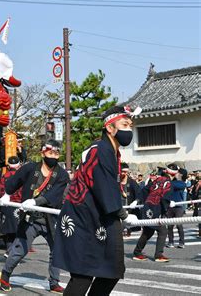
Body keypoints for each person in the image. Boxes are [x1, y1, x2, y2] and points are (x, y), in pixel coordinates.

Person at [53, 106, 140, 296]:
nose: (129, 130)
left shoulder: (109, 150)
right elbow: (103, 187)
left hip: (97, 217)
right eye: (125, 124)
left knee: (111, 270)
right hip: (84, 218)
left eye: (130, 125)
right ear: (110, 127)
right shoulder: (101, 150)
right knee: (84, 274)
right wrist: (123, 214)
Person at [0, 140, 69, 293]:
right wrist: (7, 194)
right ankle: (5, 275)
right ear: (42, 153)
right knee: (20, 249)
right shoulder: (30, 168)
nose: (53, 156)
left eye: (56, 153)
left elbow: (54, 195)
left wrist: (35, 201)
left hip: (50, 218)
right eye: (50, 153)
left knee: (56, 250)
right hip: (30, 218)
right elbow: (14, 181)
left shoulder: (62, 174)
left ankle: (54, 282)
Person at [132, 166, 172, 262]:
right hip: (156, 207)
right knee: (162, 231)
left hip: (148, 206)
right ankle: (158, 255)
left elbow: (144, 190)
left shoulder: (155, 181)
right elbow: (164, 197)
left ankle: (137, 253)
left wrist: (140, 200)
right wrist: (167, 206)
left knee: (148, 231)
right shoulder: (167, 182)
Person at [0, 156, 22, 256]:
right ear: (19, 165)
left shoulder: (3, 177)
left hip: (5, 205)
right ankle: (12, 252)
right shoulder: (21, 176)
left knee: (9, 231)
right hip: (18, 205)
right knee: (18, 231)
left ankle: (9, 250)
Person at [166, 165, 187, 249]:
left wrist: (170, 178)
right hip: (170, 206)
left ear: (181, 174)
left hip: (178, 206)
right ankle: (171, 242)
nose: (175, 173)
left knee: (179, 225)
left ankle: (182, 242)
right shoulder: (172, 181)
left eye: (177, 172)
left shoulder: (182, 183)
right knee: (170, 226)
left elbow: (173, 185)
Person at [120, 163, 142, 237]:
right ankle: (121, 230)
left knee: (128, 219)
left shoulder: (132, 182)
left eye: (125, 172)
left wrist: (136, 201)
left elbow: (139, 193)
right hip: (119, 206)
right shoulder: (115, 181)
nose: (124, 174)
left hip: (129, 206)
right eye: (122, 172)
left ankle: (129, 230)